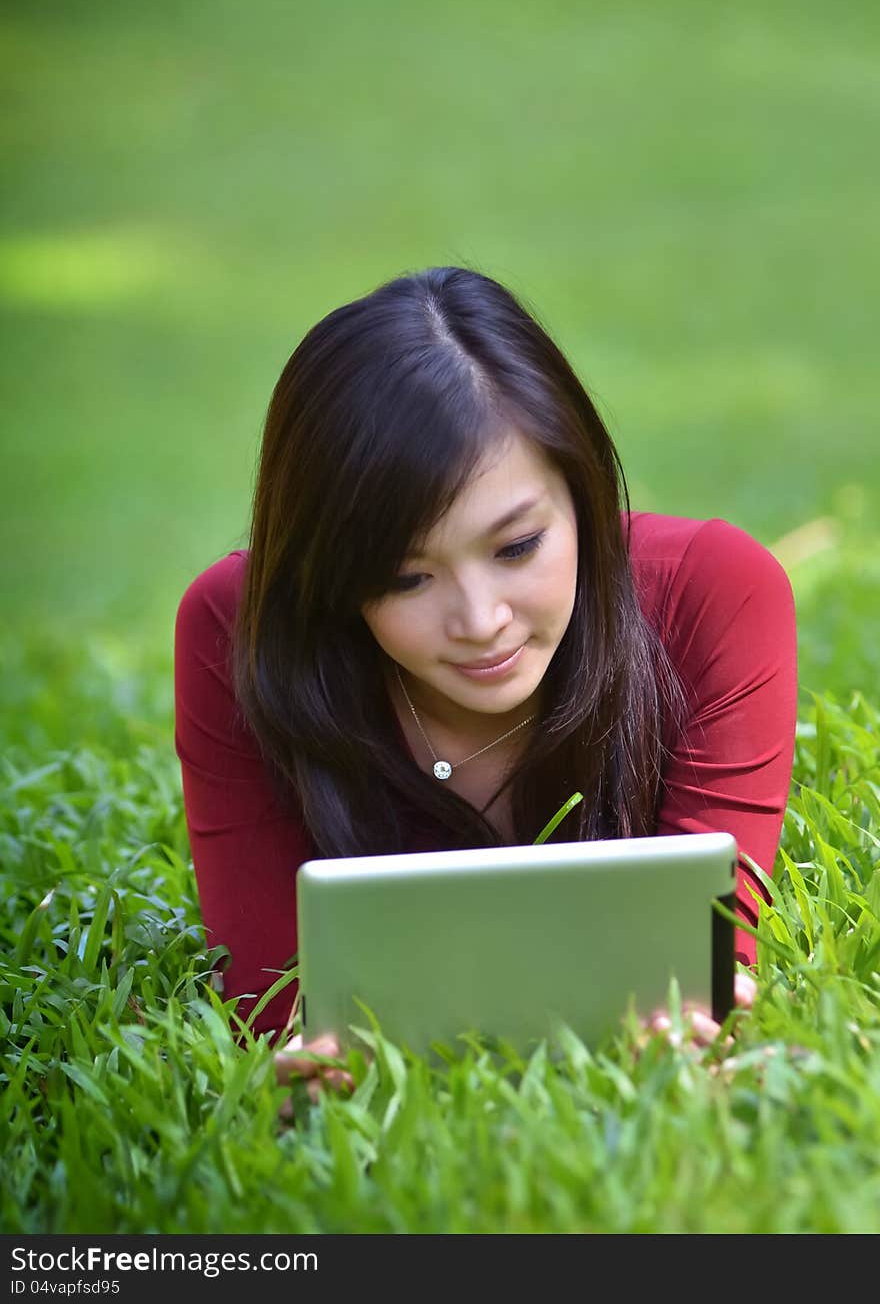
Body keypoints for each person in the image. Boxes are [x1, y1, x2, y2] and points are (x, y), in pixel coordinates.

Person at [173, 265, 798, 1105]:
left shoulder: (714, 593)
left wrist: (683, 1034)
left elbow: (707, 974)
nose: (479, 620)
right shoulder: (239, 630)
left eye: (516, 547)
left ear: (579, 490)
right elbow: (272, 1005)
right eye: (404, 577)